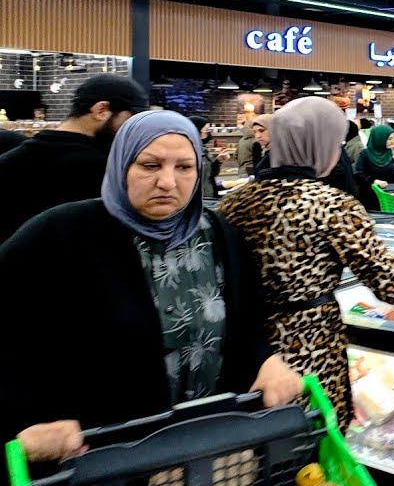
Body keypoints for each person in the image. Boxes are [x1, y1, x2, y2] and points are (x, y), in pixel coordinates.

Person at [1, 111, 300, 465]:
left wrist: (266, 361)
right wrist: (20, 425)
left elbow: (245, 323)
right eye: (150, 165)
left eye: (184, 167)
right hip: (101, 458)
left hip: (207, 448)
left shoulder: (217, 232)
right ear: (122, 165)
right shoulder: (58, 236)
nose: (168, 183)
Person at [219, 97, 394, 428]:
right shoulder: (331, 204)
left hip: (246, 352)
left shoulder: (233, 203)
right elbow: (388, 281)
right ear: (317, 145)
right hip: (308, 351)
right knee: (313, 448)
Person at [0, 74, 147, 243]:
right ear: (101, 110)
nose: (134, 129)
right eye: (132, 118)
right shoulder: (106, 170)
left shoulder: (12, 159)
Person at [353, 124, 394, 211]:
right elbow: (358, 174)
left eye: (393, 138)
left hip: (391, 197)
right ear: (379, 139)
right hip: (371, 199)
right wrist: (374, 181)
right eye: (389, 139)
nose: (392, 141)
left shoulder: (393, 153)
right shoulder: (365, 155)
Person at [188, 116, 230, 199]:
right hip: (199, 197)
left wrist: (218, 162)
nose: (208, 133)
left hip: (207, 195)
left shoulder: (203, 149)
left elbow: (210, 174)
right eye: (206, 130)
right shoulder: (190, 150)